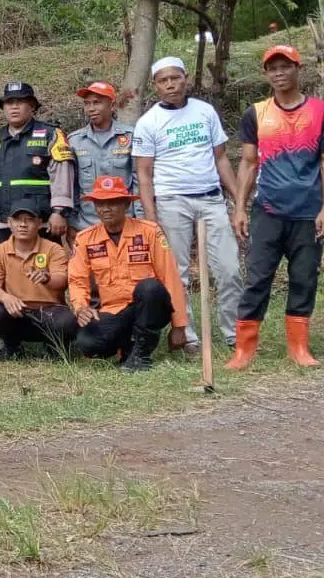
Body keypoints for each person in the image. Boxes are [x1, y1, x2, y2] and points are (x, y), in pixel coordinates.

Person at [228, 45, 324, 369]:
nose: (279, 73)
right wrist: (239, 208)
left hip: (308, 210)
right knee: (258, 278)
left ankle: (299, 347)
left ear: (297, 69)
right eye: (272, 68)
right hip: (268, 209)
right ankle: (243, 350)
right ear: (266, 73)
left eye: (285, 66)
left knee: (304, 278)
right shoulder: (256, 113)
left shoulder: (323, 112)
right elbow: (248, 163)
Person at [133, 57, 241, 350]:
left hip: (210, 198)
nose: (170, 84)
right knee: (176, 273)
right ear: (155, 86)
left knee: (229, 268)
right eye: (163, 80)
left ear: (185, 79)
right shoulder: (148, 123)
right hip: (171, 201)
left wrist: (239, 201)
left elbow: (221, 159)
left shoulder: (205, 112)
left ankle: (234, 333)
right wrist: (152, 218)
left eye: (175, 78)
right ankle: (188, 335)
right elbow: (144, 175)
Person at [69, 176, 189, 371]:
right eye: (100, 203)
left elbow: (170, 277)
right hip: (115, 310)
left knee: (150, 288)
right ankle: (127, 348)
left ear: (126, 204)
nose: (105, 208)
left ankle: (140, 355)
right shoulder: (85, 239)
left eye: (112, 203)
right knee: (88, 343)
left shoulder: (149, 231)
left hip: (150, 306)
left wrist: (179, 326)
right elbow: (77, 279)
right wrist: (81, 307)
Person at [0, 81, 74, 250]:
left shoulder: (51, 134)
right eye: (9, 103)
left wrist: (59, 213)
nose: (14, 107)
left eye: (20, 102)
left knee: (44, 274)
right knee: (1, 274)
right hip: (0, 225)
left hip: (40, 224)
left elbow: (62, 177)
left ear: (32, 106)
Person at [0, 200, 77, 361]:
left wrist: (47, 278)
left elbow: (62, 281)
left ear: (40, 223)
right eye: (18, 220)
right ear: (9, 223)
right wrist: (6, 297)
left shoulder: (54, 249)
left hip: (49, 312)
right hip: (18, 312)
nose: (23, 225)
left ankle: (54, 347)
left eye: (29, 219)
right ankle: (12, 347)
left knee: (67, 321)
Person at [68, 81, 138, 232]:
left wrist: (140, 218)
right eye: (87, 104)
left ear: (112, 106)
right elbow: (71, 186)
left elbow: (138, 180)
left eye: (97, 103)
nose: (91, 109)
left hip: (125, 222)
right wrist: (72, 223)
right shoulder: (75, 141)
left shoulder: (131, 137)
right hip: (87, 224)